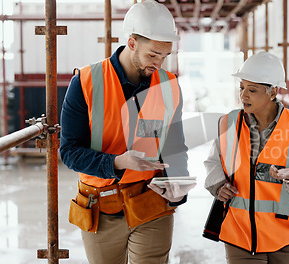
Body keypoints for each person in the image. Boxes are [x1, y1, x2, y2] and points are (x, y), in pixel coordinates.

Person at [60, 1, 194, 263]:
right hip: (101, 205)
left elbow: (175, 144)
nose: (159, 63)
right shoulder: (85, 82)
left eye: (165, 56)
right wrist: (117, 162)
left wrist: (178, 183)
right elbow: (69, 152)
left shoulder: (169, 85)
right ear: (132, 43)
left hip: (151, 201)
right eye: (152, 55)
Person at [204, 51, 289, 264]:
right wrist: (218, 185)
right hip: (239, 233)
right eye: (241, 88)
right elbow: (214, 162)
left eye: (252, 90)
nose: (243, 96)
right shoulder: (229, 123)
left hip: (287, 237)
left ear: (273, 92)